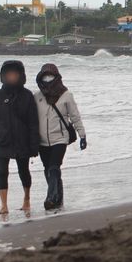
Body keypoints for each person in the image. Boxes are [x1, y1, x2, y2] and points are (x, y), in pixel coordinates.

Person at [0, 60, 39, 215]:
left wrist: (34, 145)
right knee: (2, 172)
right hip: (1, 141)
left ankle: (26, 199)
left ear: (21, 76)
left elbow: (33, 122)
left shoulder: (27, 96)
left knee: (23, 171)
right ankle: (4, 205)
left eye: (15, 74)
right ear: (3, 76)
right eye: (9, 74)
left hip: (22, 141)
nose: (12, 77)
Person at [34, 64, 87, 210]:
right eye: (44, 76)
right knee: (47, 169)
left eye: (50, 76)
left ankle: (50, 197)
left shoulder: (66, 95)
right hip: (42, 141)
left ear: (57, 77)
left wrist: (82, 135)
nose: (47, 79)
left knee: (54, 167)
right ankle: (58, 197)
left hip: (60, 139)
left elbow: (75, 116)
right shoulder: (37, 96)